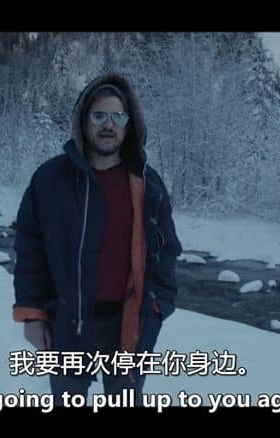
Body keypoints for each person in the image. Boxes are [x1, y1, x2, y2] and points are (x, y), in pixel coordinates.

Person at [12, 73, 182, 406]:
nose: (109, 125)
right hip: (68, 322)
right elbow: (29, 249)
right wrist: (32, 315)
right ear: (83, 120)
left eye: (118, 117)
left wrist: (157, 306)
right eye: (99, 115)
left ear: (130, 124)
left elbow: (167, 250)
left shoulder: (148, 184)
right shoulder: (50, 180)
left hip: (128, 325)